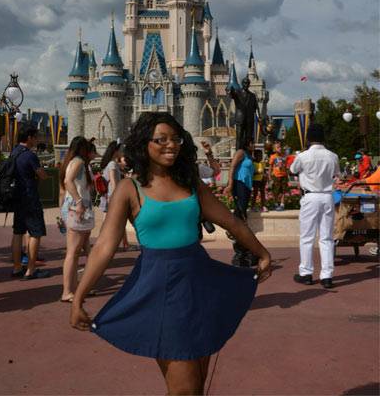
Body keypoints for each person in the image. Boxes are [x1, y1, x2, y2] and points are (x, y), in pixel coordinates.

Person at [70, 112, 271, 396]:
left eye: (175, 138)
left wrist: (262, 254)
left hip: (200, 283)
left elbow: (232, 222)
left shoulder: (191, 185)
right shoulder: (130, 188)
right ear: (144, 144)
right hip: (160, 288)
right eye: (161, 139)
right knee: (184, 389)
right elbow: (104, 247)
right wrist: (78, 297)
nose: (170, 145)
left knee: (195, 387)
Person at [290, 124, 340, 289]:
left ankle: (306, 273)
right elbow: (337, 174)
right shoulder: (333, 156)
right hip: (327, 196)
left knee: (307, 237)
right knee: (326, 238)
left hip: (310, 196)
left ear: (309, 138)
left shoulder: (303, 156)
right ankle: (327, 276)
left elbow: (293, 169)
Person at [11, 125, 51, 280]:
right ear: (29, 137)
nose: (37, 140)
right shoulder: (29, 155)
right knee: (35, 233)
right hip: (30, 197)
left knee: (18, 232)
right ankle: (31, 270)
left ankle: (16, 268)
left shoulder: (14, 152)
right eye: (35, 137)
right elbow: (42, 175)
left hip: (17, 197)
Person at [60, 137, 95, 303]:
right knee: (73, 252)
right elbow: (68, 181)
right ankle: (67, 290)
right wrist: (79, 201)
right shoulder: (79, 162)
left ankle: (77, 287)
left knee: (78, 251)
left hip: (77, 208)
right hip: (78, 209)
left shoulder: (74, 161)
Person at [223, 140, 256, 266]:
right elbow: (232, 166)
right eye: (252, 143)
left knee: (242, 215)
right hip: (239, 184)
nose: (254, 145)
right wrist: (230, 184)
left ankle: (242, 247)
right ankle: (238, 247)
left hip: (246, 186)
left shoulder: (249, 156)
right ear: (247, 143)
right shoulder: (240, 153)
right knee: (241, 215)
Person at [100, 141, 131, 251]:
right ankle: (120, 243)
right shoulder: (112, 164)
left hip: (109, 196)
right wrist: (118, 195)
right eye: (120, 150)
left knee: (114, 220)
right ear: (115, 151)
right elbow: (113, 181)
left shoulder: (111, 163)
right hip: (112, 197)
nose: (121, 152)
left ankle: (125, 243)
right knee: (117, 220)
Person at [228, 76, 260, 150]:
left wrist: (259, 116)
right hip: (240, 118)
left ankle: (247, 154)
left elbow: (256, 107)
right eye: (245, 83)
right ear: (242, 84)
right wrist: (232, 90)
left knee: (248, 138)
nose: (246, 85)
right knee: (239, 137)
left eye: (247, 83)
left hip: (249, 119)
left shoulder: (252, 95)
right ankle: (238, 153)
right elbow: (232, 95)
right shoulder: (237, 93)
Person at [268, 142, 288, 211]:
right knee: (275, 191)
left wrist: (287, 174)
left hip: (284, 175)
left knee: (283, 190)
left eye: (280, 147)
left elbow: (285, 166)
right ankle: (276, 204)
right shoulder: (273, 157)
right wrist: (269, 176)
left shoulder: (284, 156)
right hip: (276, 176)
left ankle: (282, 204)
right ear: (274, 149)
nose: (280, 148)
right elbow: (270, 167)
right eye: (278, 147)